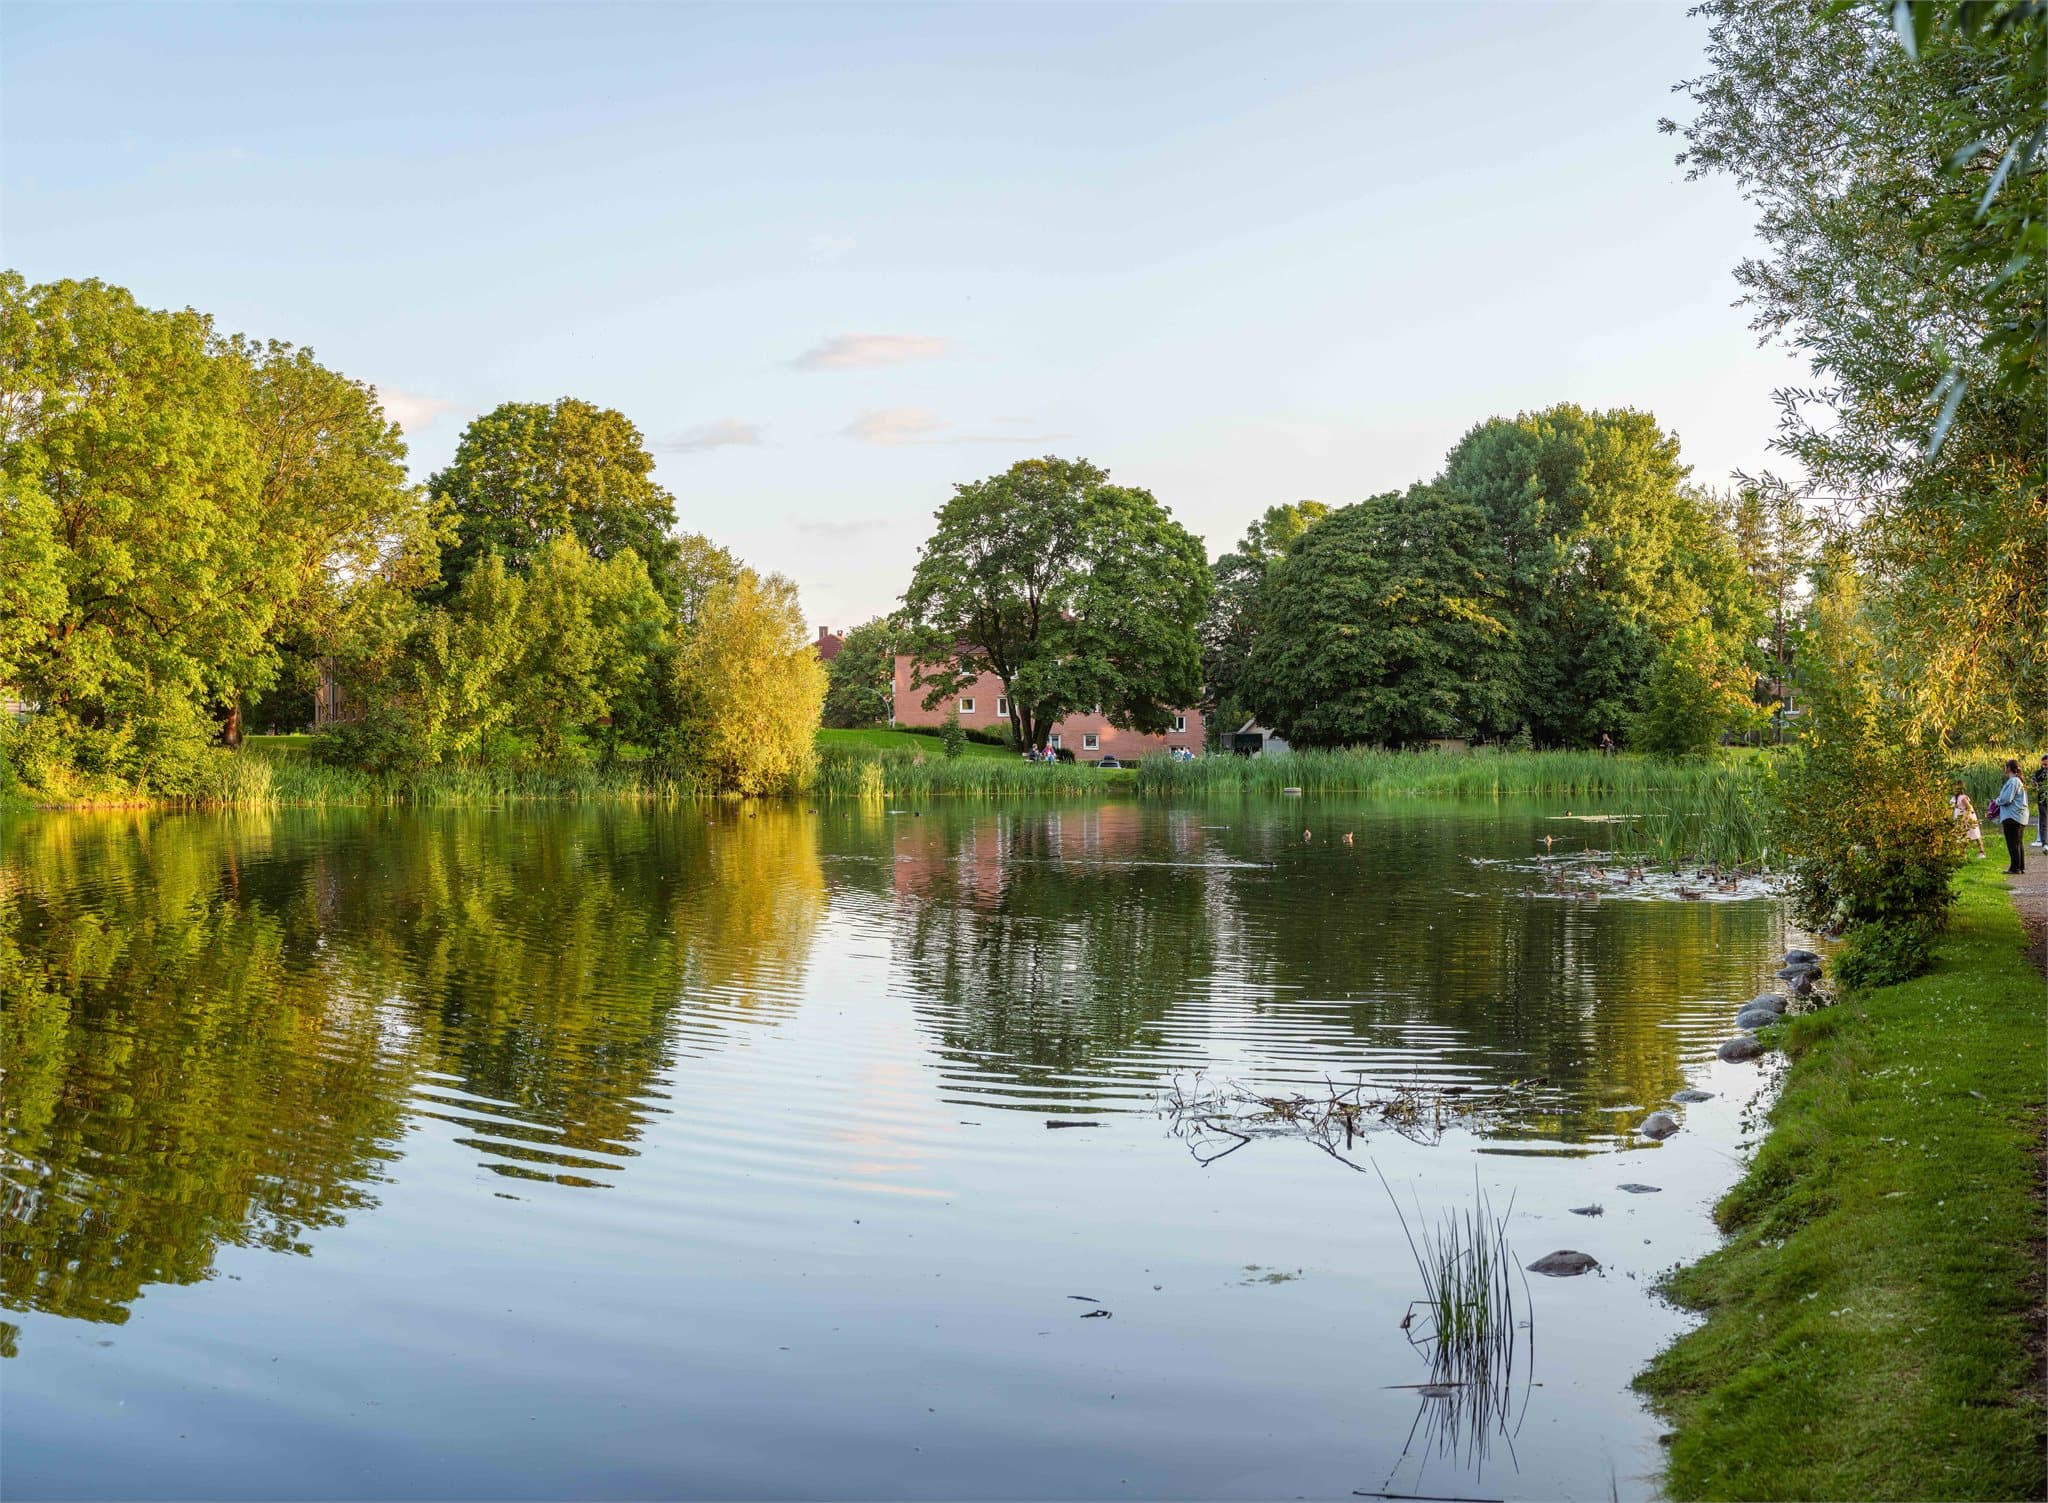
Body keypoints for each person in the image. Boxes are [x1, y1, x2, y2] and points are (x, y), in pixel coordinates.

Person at [1988, 758, 2029, 874]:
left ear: (2009, 768)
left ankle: (2014, 868)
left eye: (2006, 767)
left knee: (2012, 843)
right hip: (2020, 816)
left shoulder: (2013, 782)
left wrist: (1997, 801)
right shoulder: (2019, 781)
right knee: (2018, 842)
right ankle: (2020, 867)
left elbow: (2007, 798)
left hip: (2012, 816)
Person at [1952, 781, 1986, 859]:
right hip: (1959, 818)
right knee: (1961, 835)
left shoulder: (1962, 797)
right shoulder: (1955, 798)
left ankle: (1982, 852)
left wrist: (1965, 817)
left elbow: (1969, 807)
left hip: (1967, 817)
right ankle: (1962, 853)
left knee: (1975, 834)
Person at [2032, 753, 2047, 850]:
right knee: (2044, 821)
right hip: (2042, 800)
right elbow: (2034, 784)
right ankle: (2045, 843)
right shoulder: (2038, 773)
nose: (2044, 766)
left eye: (2046, 764)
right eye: (2043, 764)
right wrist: (2034, 785)